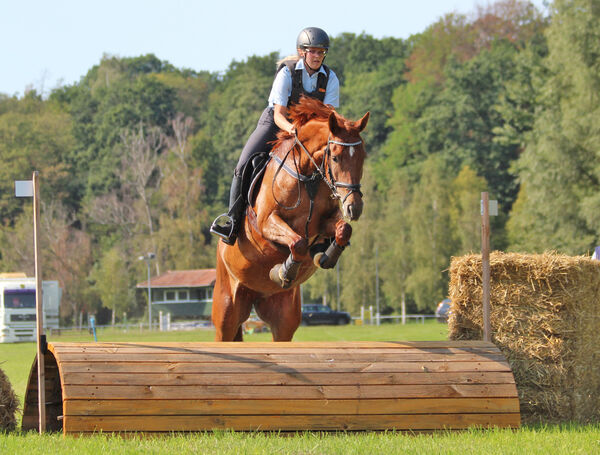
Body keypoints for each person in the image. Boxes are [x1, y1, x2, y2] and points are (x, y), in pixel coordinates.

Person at [210, 26, 340, 245]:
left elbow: (327, 117)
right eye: (313, 51)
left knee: (331, 162)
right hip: (276, 123)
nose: (317, 56)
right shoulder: (287, 72)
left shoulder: (331, 78)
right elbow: (279, 114)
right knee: (244, 163)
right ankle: (232, 222)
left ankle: (327, 224)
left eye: (321, 52)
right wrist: (292, 131)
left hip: (308, 129)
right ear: (302, 52)